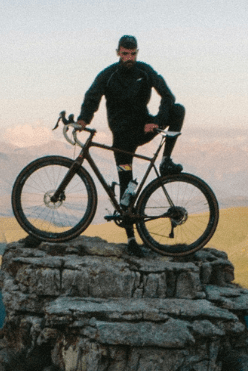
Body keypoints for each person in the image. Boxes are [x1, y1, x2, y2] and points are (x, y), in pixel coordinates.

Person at [76, 34, 185, 255]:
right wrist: (83, 120)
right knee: (126, 189)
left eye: (133, 54)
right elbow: (92, 96)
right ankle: (131, 239)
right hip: (122, 137)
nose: (129, 58)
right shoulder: (108, 74)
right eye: (125, 54)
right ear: (118, 52)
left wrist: (155, 120)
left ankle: (165, 161)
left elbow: (168, 95)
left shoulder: (144, 70)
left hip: (145, 128)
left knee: (178, 110)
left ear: (137, 53)